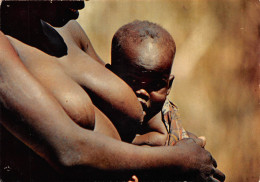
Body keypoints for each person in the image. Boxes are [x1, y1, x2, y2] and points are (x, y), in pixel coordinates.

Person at [0, 1, 225, 181]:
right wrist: (175, 159)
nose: (85, 1)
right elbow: (69, 151)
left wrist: (173, 141)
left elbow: (115, 125)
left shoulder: (67, 31)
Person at [108, 20, 194, 146]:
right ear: (109, 75)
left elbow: (159, 139)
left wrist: (117, 142)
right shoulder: (102, 104)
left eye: (155, 85)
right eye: (132, 81)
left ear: (168, 86)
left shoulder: (156, 116)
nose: (143, 93)